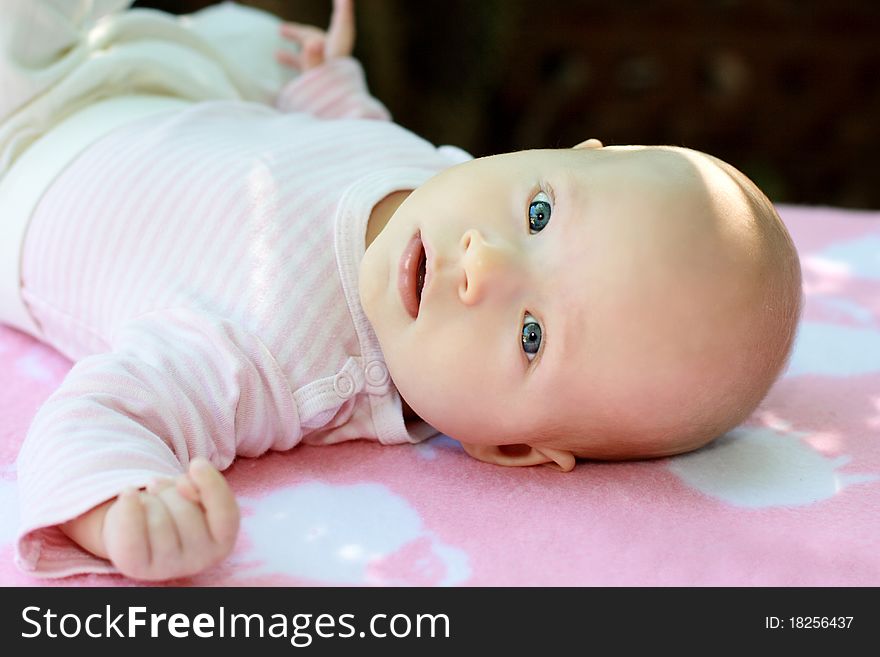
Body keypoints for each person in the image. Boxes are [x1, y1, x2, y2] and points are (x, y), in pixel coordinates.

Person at [1, 0, 802, 581]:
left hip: (17, 168)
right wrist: (327, 88)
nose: (484, 262)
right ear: (563, 152)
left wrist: (121, 508)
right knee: (254, 40)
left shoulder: (280, 361)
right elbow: (366, 136)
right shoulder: (448, 177)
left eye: (532, 334)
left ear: (509, 447)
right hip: (130, 83)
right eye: (540, 210)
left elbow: (96, 414)